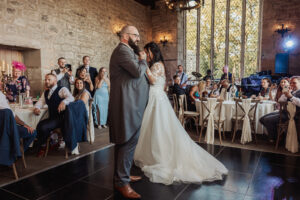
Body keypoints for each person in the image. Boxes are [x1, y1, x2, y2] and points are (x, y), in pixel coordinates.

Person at [134, 42, 228, 185]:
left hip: (157, 101)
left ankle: (160, 156)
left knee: (160, 129)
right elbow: (161, 83)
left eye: (147, 52)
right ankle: (154, 154)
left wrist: (142, 63)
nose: (146, 55)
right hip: (156, 98)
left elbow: (153, 80)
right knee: (155, 128)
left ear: (152, 52)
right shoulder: (157, 65)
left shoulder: (157, 65)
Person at [108, 25, 149, 199]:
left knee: (126, 142)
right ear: (125, 36)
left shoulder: (125, 51)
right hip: (126, 105)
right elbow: (137, 72)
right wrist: (143, 59)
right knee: (127, 141)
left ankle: (121, 176)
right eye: (136, 35)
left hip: (130, 104)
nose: (138, 39)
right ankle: (122, 183)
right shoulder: (122, 51)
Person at [33, 73, 74, 156]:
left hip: (61, 118)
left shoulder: (62, 89)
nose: (46, 81)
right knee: (39, 125)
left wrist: (63, 102)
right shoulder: (46, 92)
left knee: (44, 127)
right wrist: (37, 108)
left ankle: (43, 146)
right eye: (45, 80)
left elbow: (71, 98)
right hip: (52, 117)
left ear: (55, 81)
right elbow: (41, 102)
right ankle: (49, 143)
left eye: (49, 80)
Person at [260, 76, 300, 142]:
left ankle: (274, 139)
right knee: (262, 119)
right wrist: (285, 93)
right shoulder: (292, 91)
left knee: (267, 119)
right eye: (291, 83)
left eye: (294, 83)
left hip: (292, 115)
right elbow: (280, 101)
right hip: (283, 112)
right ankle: (278, 136)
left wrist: (291, 97)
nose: (292, 84)